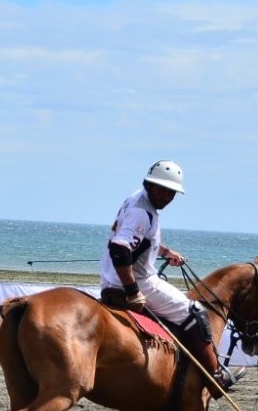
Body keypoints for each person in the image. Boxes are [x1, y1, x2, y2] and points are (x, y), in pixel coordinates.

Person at [99, 160, 245, 397]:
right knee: (197, 313)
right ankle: (215, 377)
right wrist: (133, 291)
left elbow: (140, 239)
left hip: (110, 278)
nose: (166, 196)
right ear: (149, 184)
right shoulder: (143, 212)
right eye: (161, 189)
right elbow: (120, 249)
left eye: (171, 192)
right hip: (135, 281)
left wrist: (165, 252)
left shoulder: (136, 198)